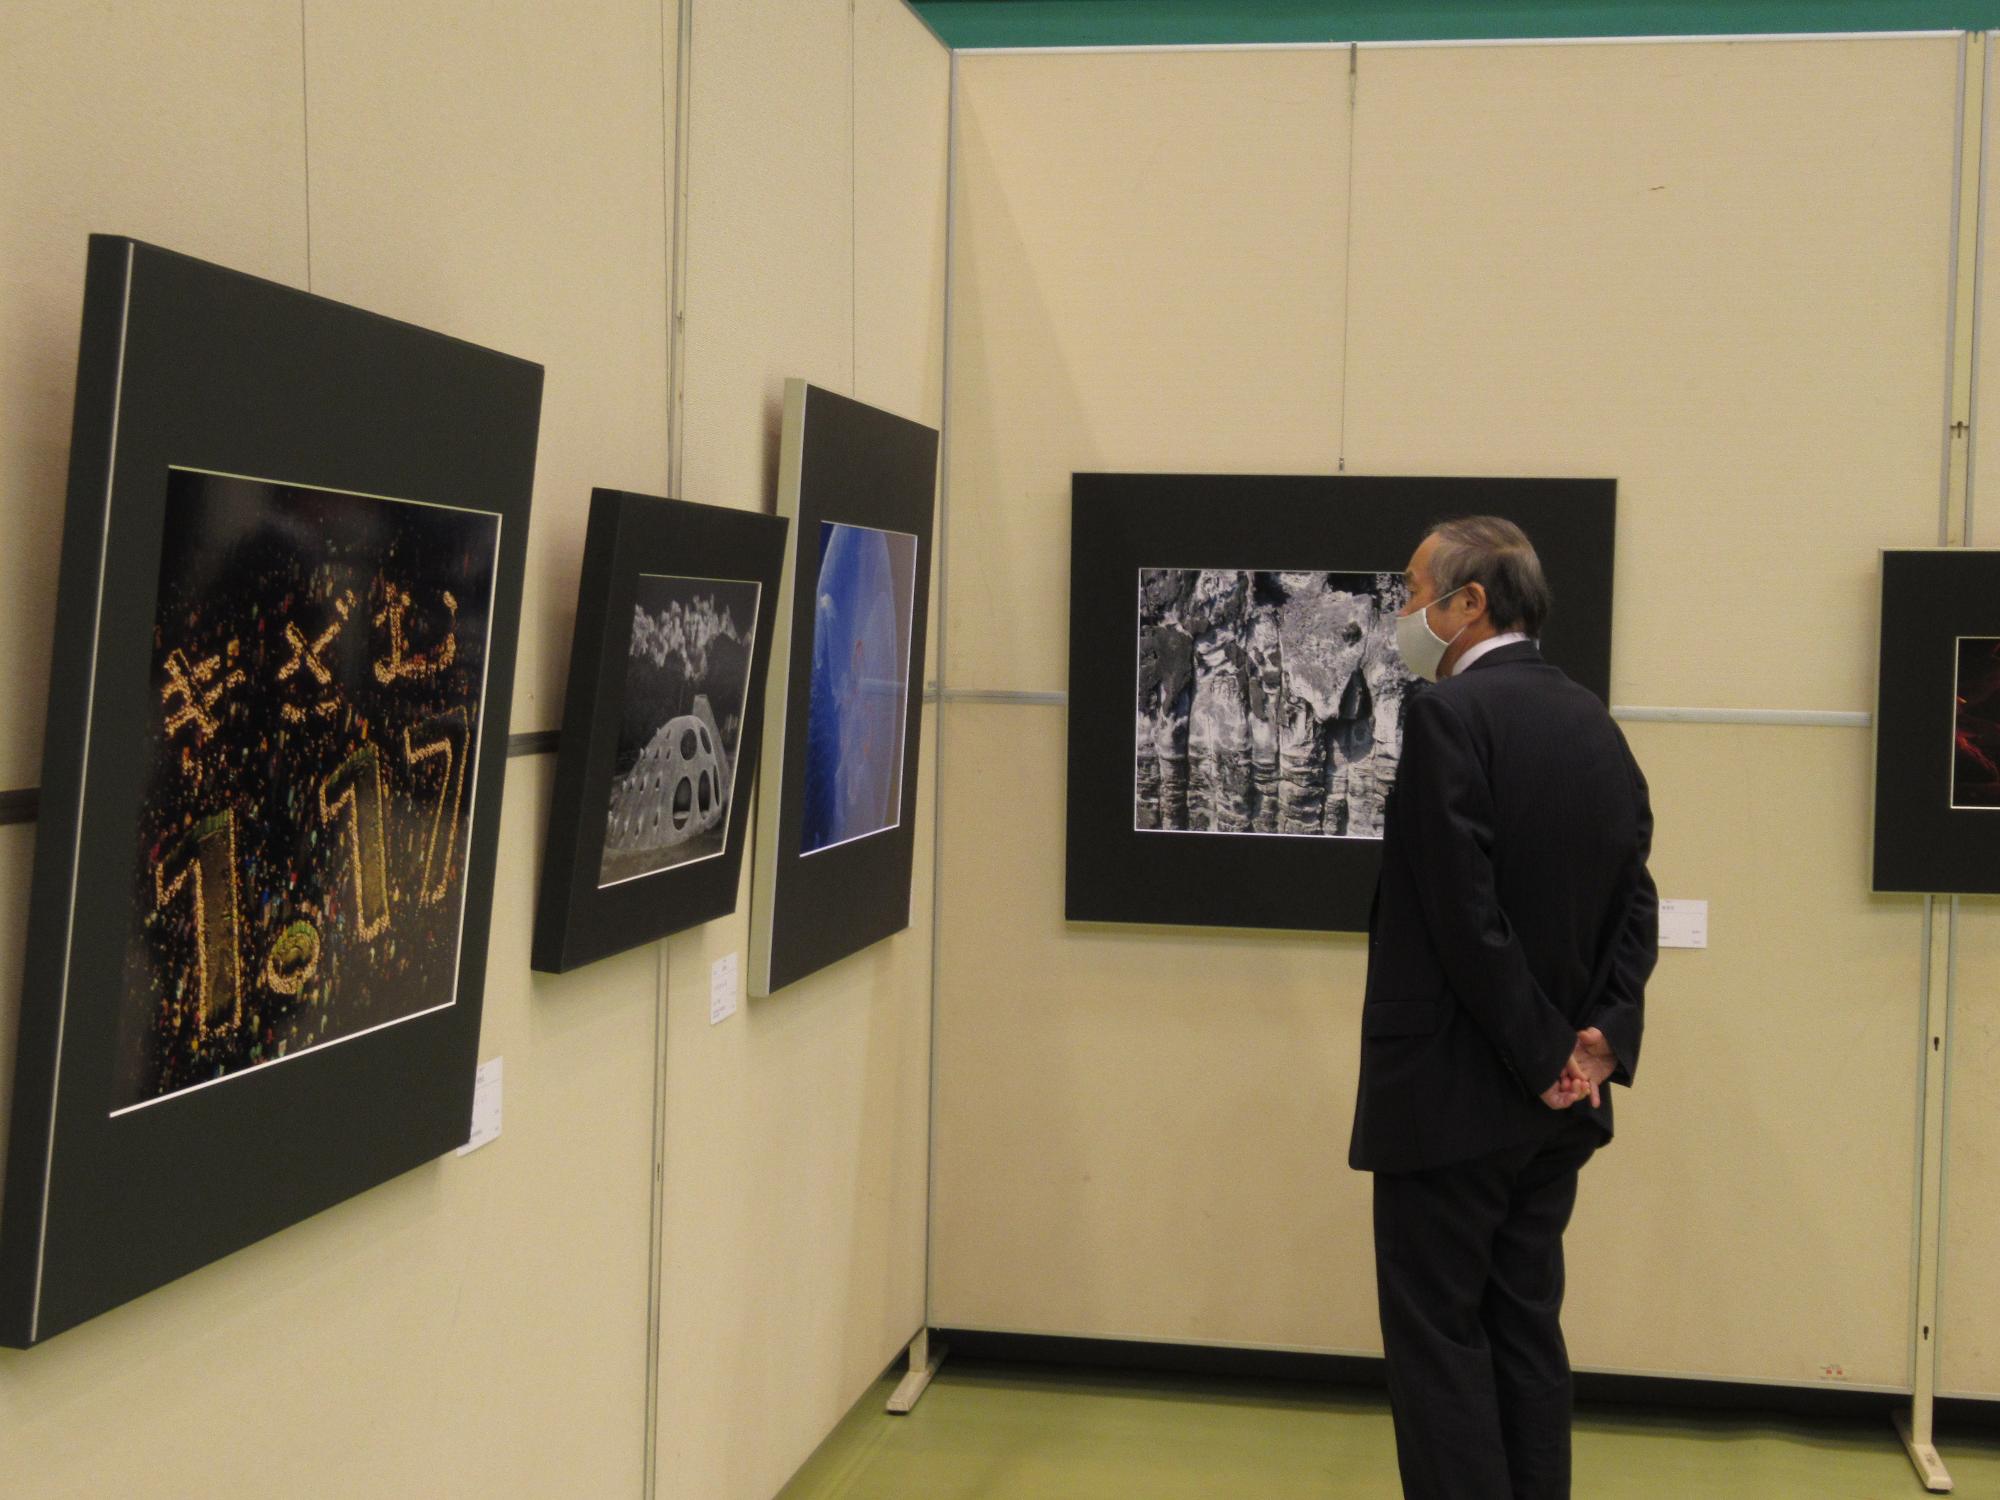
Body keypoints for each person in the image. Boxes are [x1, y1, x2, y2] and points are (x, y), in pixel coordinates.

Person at [1350, 516, 1658, 1500]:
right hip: (1555, 1113)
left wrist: (1540, 1056)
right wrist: (1600, 1041)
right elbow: (1633, 900)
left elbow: (1460, 918)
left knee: (1439, 1344)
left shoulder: (1447, 719)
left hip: (1452, 1103)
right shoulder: (1590, 723)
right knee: (1523, 1329)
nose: (1402, 616)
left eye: (1410, 594)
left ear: (1467, 601)